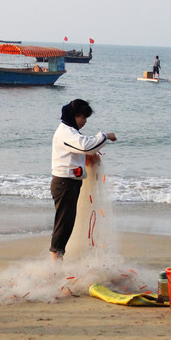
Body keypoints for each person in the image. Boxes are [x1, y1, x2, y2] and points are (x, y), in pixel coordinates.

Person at [50, 99, 117, 259]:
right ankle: (55, 259)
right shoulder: (66, 132)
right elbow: (87, 146)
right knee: (64, 222)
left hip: (70, 183)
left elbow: (81, 150)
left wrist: (89, 156)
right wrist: (106, 136)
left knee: (67, 221)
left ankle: (58, 256)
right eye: (83, 118)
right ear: (74, 116)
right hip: (64, 183)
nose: (85, 122)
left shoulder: (71, 132)